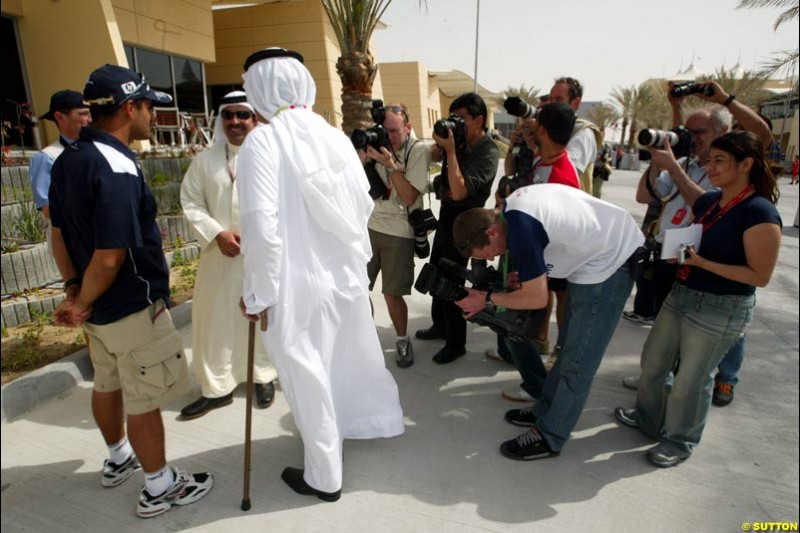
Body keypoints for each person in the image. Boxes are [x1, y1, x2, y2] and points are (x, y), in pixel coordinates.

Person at [236, 48, 404, 502]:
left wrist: (257, 294)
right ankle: (339, 431)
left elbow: (260, 227)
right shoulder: (333, 137)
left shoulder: (262, 142)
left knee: (305, 373)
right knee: (338, 361)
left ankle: (323, 475)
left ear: (259, 89)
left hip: (293, 284)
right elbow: (363, 206)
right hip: (343, 277)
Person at [48, 64, 213, 518]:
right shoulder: (117, 166)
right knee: (143, 398)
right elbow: (109, 255)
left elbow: (58, 234)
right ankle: (159, 485)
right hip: (128, 306)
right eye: (146, 107)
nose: (151, 116)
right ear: (128, 108)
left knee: (106, 383)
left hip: (98, 308)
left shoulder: (68, 160)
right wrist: (80, 303)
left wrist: (74, 293)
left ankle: (119, 457)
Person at [615, 131, 781, 467]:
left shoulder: (759, 212)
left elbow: (759, 276)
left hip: (721, 309)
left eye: (720, 161)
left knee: (692, 380)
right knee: (654, 361)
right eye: (710, 160)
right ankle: (649, 419)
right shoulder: (713, 202)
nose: (710, 166)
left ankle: (678, 441)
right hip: (682, 295)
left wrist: (702, 263)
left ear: (746, 164)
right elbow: (692, 200)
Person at [453, 183, 643, 460]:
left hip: (611, 262)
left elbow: (537, 298)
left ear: (491, 232)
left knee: (579, 358)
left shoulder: (521, 229)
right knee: (568, 348)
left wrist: (486, 298)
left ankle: (551, 435)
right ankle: (545, 410)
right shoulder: (510, 212)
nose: (493, 258)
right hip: (591, 260)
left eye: (487, 253)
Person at [622, 81, 772, 403]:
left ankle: (724, 380)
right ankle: (662, 378)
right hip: (675, 254)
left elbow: (762, 136)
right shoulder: (687, 163)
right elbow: (644, 195)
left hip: (715, 266)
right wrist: (661, 157)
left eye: (700, 132)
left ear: (725, 132)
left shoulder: (731, 172)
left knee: (720, 335)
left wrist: (725, 99)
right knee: (667, 327)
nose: (693, 139)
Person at [178, 91, 278, 419]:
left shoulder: (272, 157)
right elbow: (191, 202)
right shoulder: (205, 161)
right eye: (229, 115)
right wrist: (217, 234)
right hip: (218, 258)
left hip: (261, 257)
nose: (235, 122)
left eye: (242, 115)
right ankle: (217, 387)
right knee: (216, 320)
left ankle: (263, 375)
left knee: (262, 315)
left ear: (255, 119)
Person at [498, 102, 581, 402]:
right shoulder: (541, 159)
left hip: (545, 261)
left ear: (542, 128)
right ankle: (533, 379)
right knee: (514, 325)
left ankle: (537, 387)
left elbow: (561, 230)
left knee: (516, 324)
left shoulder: (562, 174)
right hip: (532, 256)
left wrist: (534, 269)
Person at [414, 92, 499, 364]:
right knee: (436, 272)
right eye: (454, 118)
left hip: (468, 225)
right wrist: (443, 148)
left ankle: (456, 342)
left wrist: (451, 153)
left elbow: (460, 192)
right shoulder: (462, 143)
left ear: (479, 120)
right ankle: (440, 326)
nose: (457, 124)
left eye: (461, 119)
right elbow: (441, 178)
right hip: (448, 217)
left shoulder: (487, 150)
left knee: (451, 282)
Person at [360, 103, 430, 368]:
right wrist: (363, 157)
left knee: (392, 294)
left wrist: (389, 165)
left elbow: (410, 196)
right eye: (384, 131)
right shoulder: (377, 144)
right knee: (357, 288)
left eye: (394, 131)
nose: (388, 137)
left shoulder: (417, 150)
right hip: (368, 226)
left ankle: (402, 340)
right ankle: (364, 340)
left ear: (408, 127)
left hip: (399, 230)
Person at [28, 90, 91, 243]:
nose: (90, 119)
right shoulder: (46, 158)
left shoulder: (98, 149)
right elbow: (48, 209)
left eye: (91, 113)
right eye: (83, 113)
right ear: (59, 117)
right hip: (73, 242)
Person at [549, 77, 602, 195]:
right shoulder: (550, 130)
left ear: (576, 103)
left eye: (558, 100)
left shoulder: (583, 133)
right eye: (551, 99)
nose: (552, 105)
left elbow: (566, 174)